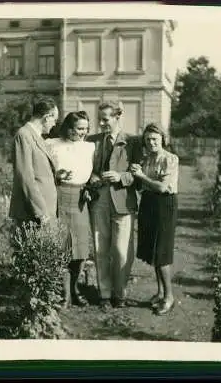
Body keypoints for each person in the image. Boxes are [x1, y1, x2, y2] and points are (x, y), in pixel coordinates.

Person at [86, 102, 142, 311]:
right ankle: (105, 293)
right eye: (99, 119)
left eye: (105, 119)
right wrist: (91, 176)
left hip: (122, 200)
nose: (100, 124)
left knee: (121, 250)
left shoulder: (132, 142)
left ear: (118, 117)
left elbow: (139, 174)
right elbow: (86, 168)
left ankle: (120, 292)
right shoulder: (92, 141)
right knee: (100, 248)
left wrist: (121, 177)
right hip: (99, 200)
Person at [45, 111, 96, 308]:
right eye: (79, 128)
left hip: (80, 198)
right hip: (59, 195)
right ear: (68, 128)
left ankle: (75, 289)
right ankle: (64, 294)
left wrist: (91, 184)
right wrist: (56, 175)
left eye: (85, 128)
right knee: (63, 247)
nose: (83, 132)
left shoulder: (90, 147)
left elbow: (94, 172)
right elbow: (42, 170)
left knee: (81, 249)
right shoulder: (52, 144)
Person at [130, 123, 180, 316]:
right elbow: (143, 185)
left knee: (162, 252)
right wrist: (136, 172)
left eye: (155, 139)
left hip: (164, 205)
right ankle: (160, 292)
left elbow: (161, 187)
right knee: (152, 250)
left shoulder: (170, 159)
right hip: (149, 203)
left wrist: (141, 175)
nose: (151, 143)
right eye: (148, 139)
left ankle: (169, 297)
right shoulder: (147, 158)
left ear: (163, 140)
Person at [8, 97, 61, 227]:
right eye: (54, 120)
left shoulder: (37, 136)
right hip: (33, 214)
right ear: (47, 117)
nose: (54, 124)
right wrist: (41, 212)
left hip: (45, 210)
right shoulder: (24, 135)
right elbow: (25, 177)